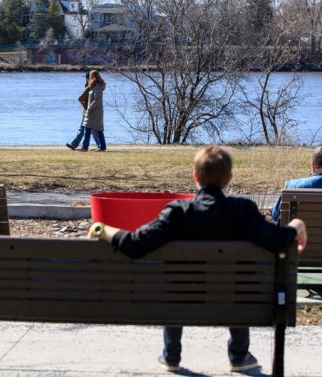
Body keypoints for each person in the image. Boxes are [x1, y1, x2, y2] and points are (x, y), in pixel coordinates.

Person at [88, 145, 307, 373]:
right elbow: (277, 239)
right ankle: (239, 355)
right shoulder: (243, 211)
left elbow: (136, 244)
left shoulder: (177, 212)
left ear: (195, 176)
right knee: (235, 283)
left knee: (178, 283)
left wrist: (101, 229)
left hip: (181, 303)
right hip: (236, 303)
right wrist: (297, 225)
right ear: (229, 177)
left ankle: (171, 354)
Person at [77, 69, 106, 152]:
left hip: (95, 112)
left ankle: (102, 147)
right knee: (87, 128)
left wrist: (89, 109)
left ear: (93, 77)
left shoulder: (98, 87)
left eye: (90, 76)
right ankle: (85, 147)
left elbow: (97, 100)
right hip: (92, 111)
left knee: (98, 129)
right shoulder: (93, 86)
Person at [66, 71, 91, 150]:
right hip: (86, 111)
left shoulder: (89, 87)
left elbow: (81, 98)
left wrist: (83, 102)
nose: (85, 79)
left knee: (84, 129)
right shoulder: (88, 86)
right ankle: (74, 144)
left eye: (86, 78)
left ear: (89, 78)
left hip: (87, 111)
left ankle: (75, 145)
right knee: (85, 129)